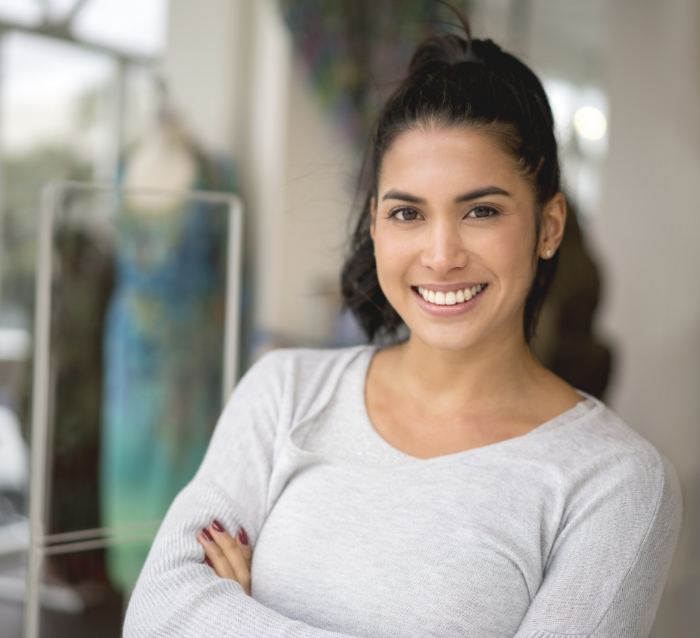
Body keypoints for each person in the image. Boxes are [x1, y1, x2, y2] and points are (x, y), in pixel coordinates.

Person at [123, 9, 683, 638]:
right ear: (374, 224)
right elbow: (154, 617)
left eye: (481, 211)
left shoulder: (615, 482)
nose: (441, 256)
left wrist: (237, 618)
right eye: (408, 214)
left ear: (548, 226)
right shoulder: (283, 393)